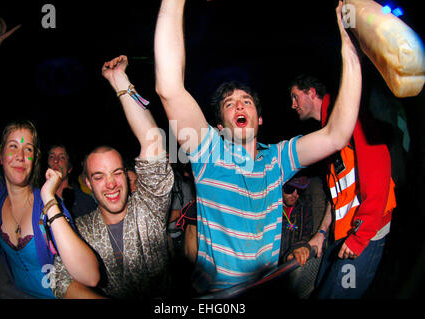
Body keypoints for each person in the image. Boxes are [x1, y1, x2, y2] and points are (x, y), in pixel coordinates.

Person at [154, 0, 362, 293]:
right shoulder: (208, 150)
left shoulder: (277, 159)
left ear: (259, 118)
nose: (239, 104)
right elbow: (169, 88)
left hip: (266, 289)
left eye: (247, 101)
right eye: (230, 104)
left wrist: (350, 49)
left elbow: (337, 135)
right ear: (220, 126)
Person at [0, 18, 99, 298]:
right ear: (0, 156)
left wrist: (50, 201)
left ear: (34, 160)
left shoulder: (46, 204)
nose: (20, 155)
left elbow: (90, 275)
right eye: (13, 147)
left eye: (28, 149)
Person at [49, 55, 174, 299]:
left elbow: (153, 142)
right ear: (87, 183)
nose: (110, 183)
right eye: (99, 176)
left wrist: (120, 81)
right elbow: (59, 279)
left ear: (127, 177)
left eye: (117, 172)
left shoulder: (149, 207)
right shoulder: (81, 230)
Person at [288, 73, 397, 298]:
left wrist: (360, 236)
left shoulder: (346, 115)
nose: (293, 105)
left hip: (364, 236)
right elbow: (337, 197)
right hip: (342, 236)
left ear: (311, 92)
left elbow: (379, 164)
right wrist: (321, 233)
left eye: (295, 96)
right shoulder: (329, 133)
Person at [47, 144, 97, 218]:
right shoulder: (37, 198)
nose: (56, 160)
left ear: (69, 168)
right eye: (52, 156)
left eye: (62, 157)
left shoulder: (85, 202)